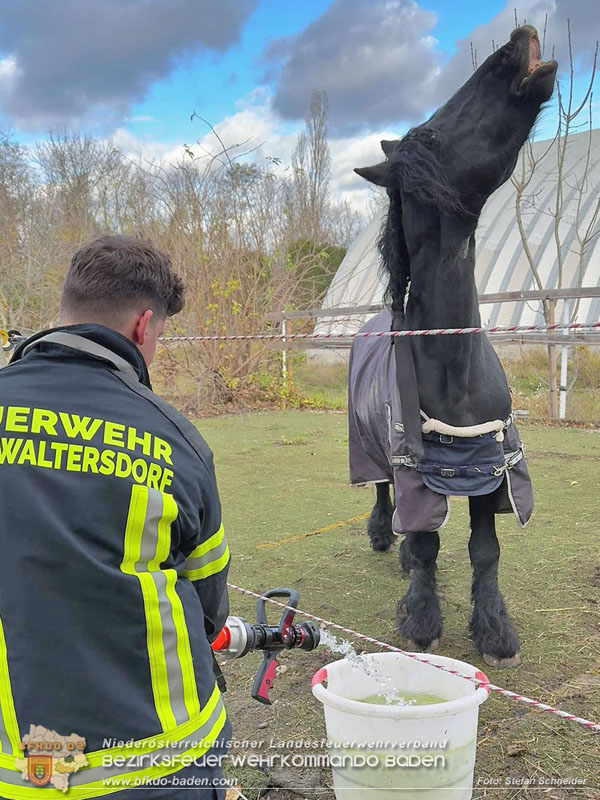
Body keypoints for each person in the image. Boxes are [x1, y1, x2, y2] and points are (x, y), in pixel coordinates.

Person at [0, 235, 231, 799]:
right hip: (164, 765)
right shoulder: (174, 439)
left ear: (66, 308)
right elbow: (207, 606)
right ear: (142, 326)